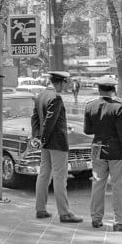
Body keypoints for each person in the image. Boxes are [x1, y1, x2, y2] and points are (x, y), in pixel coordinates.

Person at [84, 76, 122, 231]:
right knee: (118, 187)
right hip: (116, 151)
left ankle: (96, 218)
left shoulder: (89, 106)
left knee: (97, 184)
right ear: (113, 90)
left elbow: (87, 130)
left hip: (97, 149)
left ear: (99, 89)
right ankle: (120, 222)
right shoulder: (118, 107)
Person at [31, 71, 83, 223]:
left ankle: (40, 209)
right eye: (64, 84)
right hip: (56, 143)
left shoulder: (40, 95)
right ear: (60, 82)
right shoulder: (56, 97)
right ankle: (65, 213)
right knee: (60, 178)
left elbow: (35, 119)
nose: (64, 87)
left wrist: (37, 137)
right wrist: (45, 138)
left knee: (44, 175)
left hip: (45, 143)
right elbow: (50, 122)